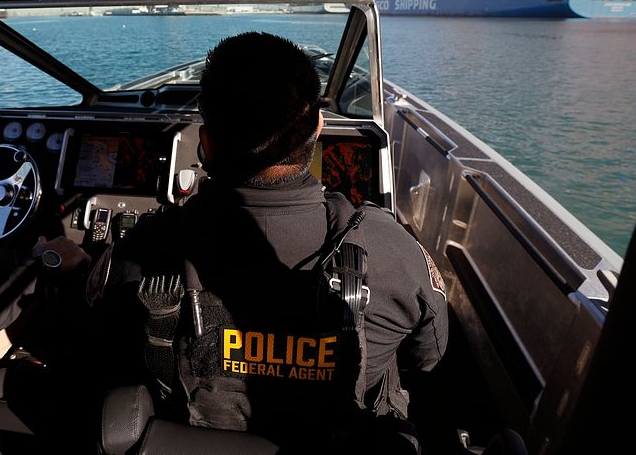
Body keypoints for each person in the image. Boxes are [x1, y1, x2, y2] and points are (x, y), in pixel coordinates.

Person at [86, 32, 448, 451]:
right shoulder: (395, 253)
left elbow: (101, 340)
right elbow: (429, 359)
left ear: (205, 143)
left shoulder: (141, 251)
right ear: (318, 127)